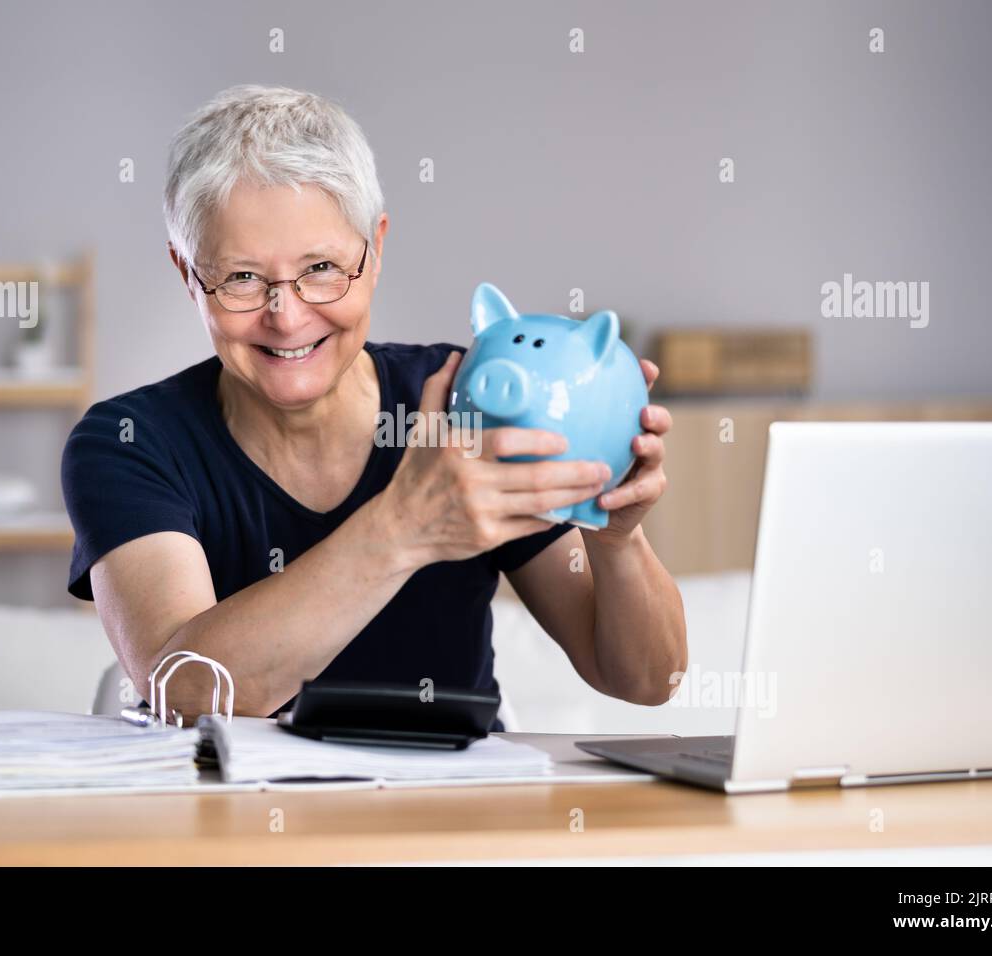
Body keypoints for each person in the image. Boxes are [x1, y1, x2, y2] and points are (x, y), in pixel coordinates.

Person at [61, 84, 686, 728]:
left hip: (453, 815)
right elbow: (187, 693)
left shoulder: (460, 402)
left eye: (323, 267)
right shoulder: (130, 440)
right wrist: (404, 526)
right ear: (188, 273)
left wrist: (617, 540)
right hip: (240, 824)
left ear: (376, 248)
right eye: (242, 277)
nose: (287, 315)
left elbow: (646, 680)